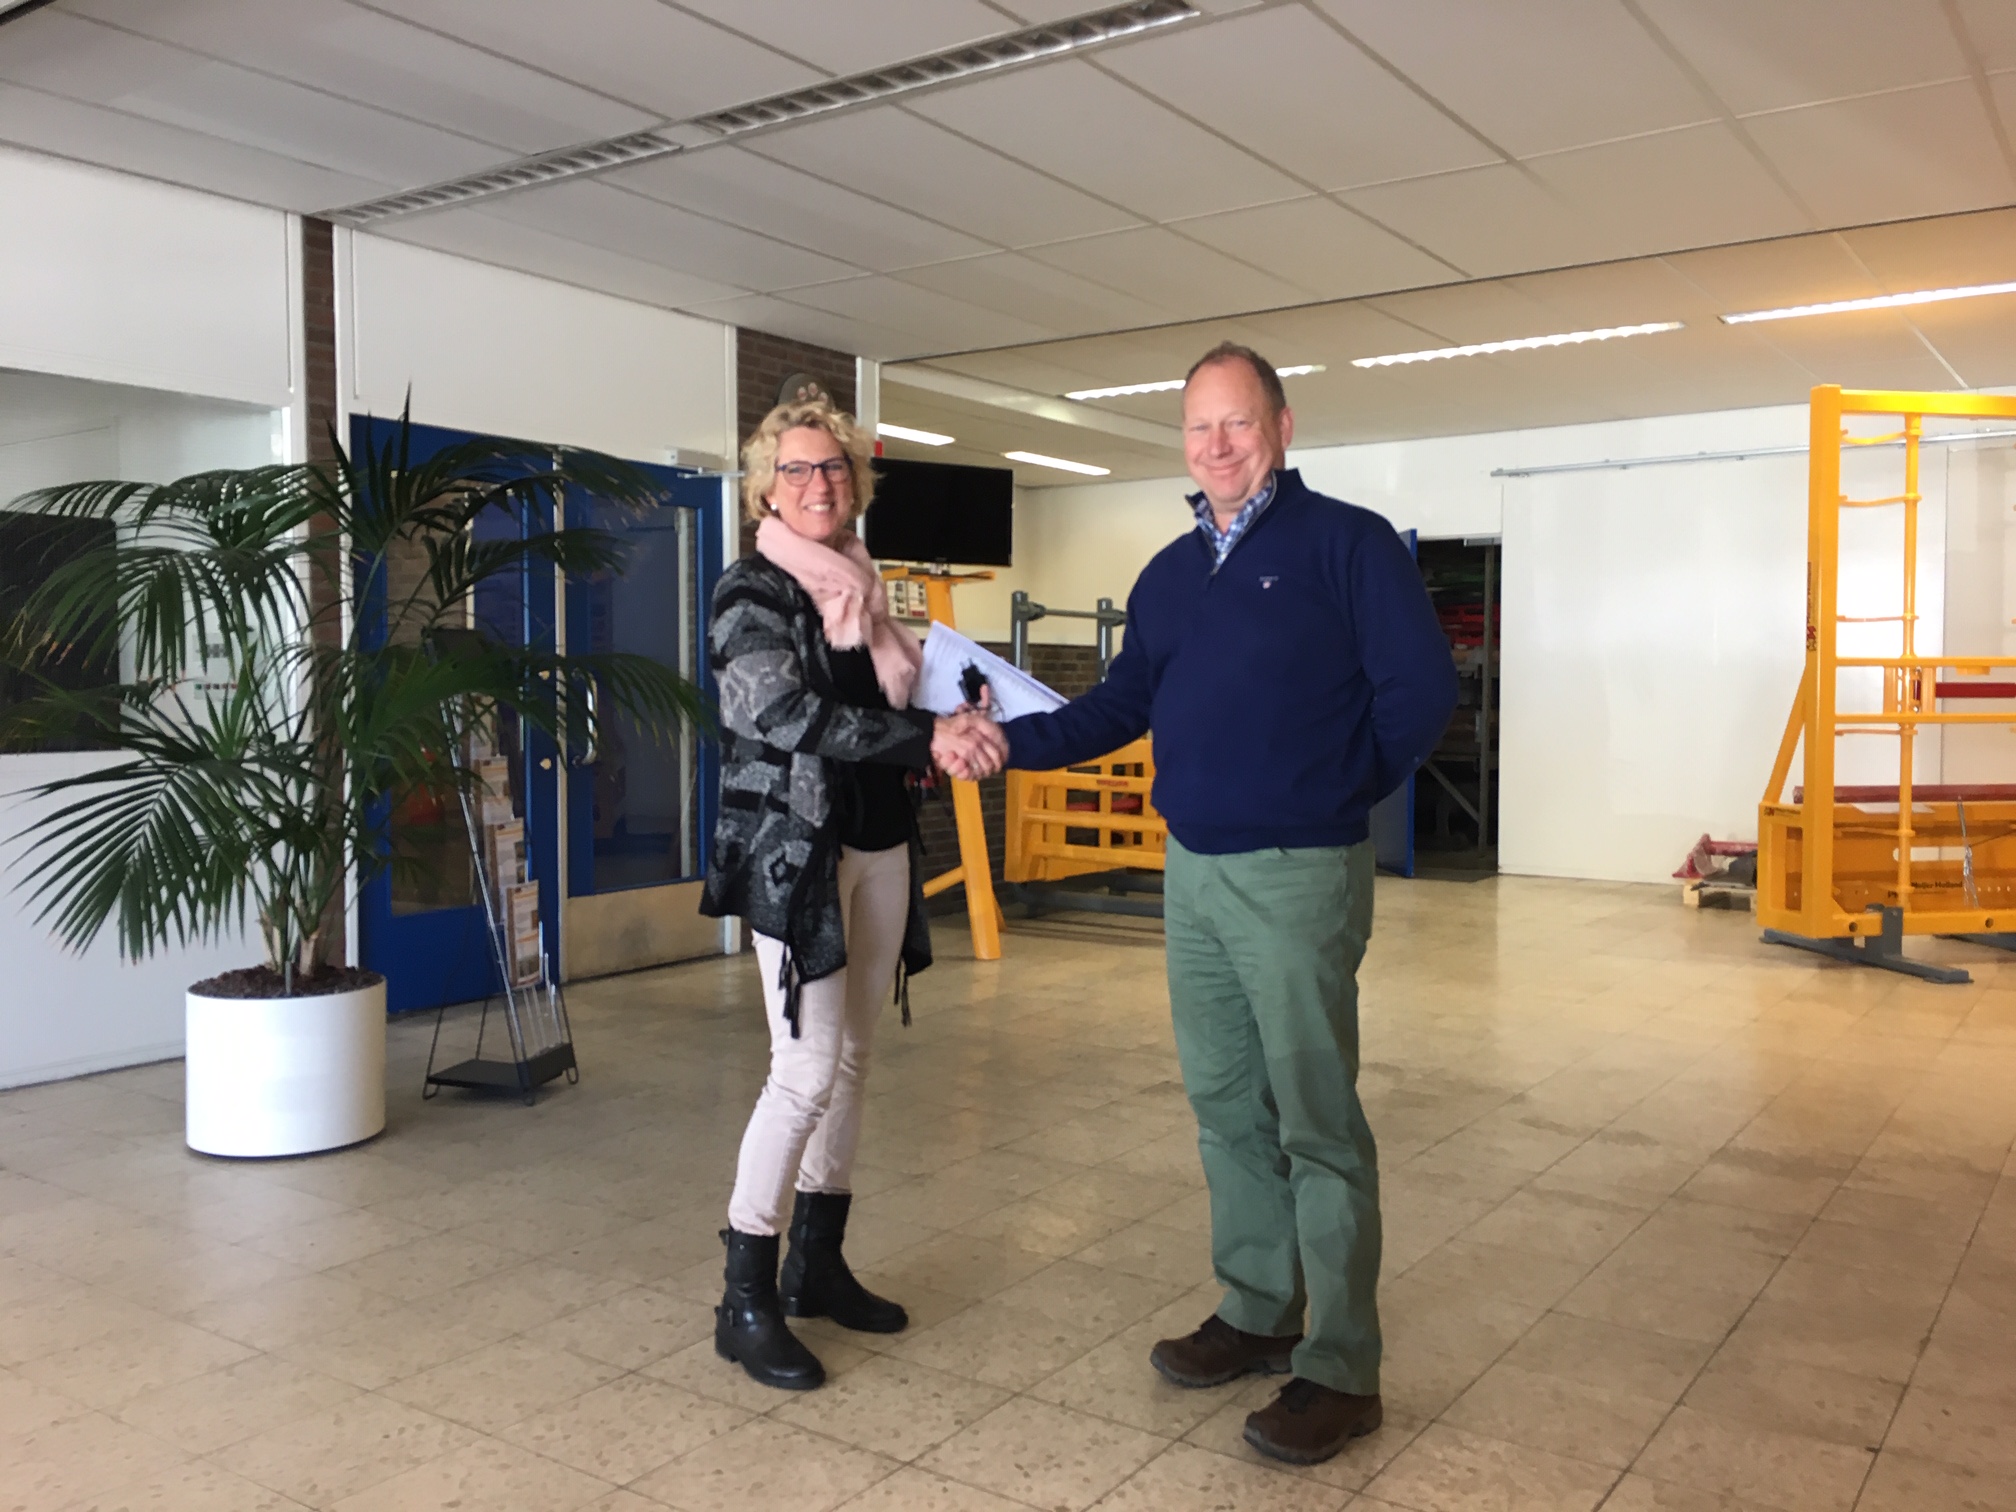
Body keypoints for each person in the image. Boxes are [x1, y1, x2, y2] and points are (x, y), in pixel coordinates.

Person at [997, 343, 1457, 1464]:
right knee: (1225, 1106)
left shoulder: (1346, 545)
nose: (1217, 446)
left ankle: (1341, 1368)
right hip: (1194, 873)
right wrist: (1000, 742)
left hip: (1299, 870)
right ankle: (1259, 1309)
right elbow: (1116, 707)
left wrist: (1335, 789)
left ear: (1282, 428)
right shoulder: (1168, 575)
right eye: (1199, 427)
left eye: (1237, 423)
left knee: (1316, 1119)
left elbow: (1421, 691)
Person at [700, 399, 1006, 1392]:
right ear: (767, 488)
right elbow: (778, 711)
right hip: (797, 855)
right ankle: (744, 1297)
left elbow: (890, 700)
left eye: (832, 467)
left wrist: (959, 710)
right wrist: (925, 737)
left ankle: (816, 1266)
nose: (818, 484)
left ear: (855, 481)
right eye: (796, 470)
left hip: (878, 843)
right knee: (803, 1069)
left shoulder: (866, 587)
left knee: (854, 1062)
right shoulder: (750, 589)